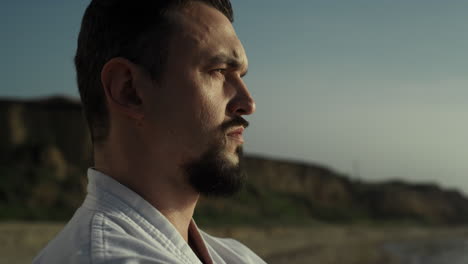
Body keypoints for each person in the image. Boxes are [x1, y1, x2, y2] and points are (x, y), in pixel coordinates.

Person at [33, 0, 266, 263]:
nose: (248, 104)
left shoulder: (236, 256)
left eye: (241, 76)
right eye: (219, 71)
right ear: (129, 90)